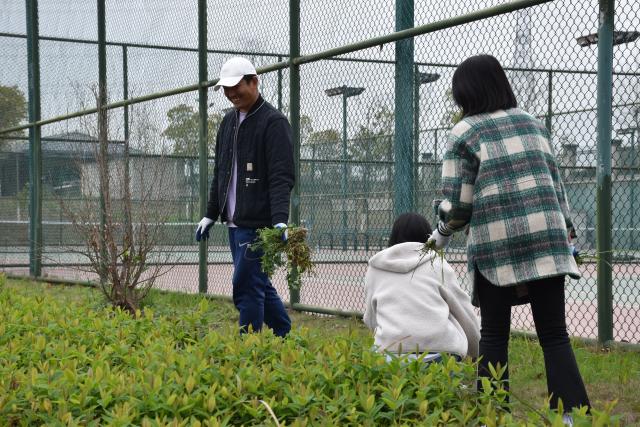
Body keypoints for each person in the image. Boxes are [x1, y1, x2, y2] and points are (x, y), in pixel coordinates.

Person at [427, 54, 590, 413]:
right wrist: (568, 236)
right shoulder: (534, 124)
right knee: (554, 334)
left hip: (496, 245)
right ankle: (573, 417)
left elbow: (459, 206)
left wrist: (441, 232)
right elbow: (556, 186)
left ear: (466, 93)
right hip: (547, 241)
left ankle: (493, 414)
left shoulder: (464, 132)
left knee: (495, 334)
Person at [195, 57, 293, 337]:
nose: (231, 94)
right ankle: (284, 333)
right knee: (256, 282)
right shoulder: (228, 122)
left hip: (259, 224)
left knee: (246, 286)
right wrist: (211, 213)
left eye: (236, 87)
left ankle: (248, 347)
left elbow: (281, 176)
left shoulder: (273, 122)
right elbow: (221, 171)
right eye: (227, 89)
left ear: (254, 81)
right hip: (234, 222)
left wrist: (280, 220)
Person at [363, 212, 480, 362]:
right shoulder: (437, 264)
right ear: (428, 237)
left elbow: (371, 318)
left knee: (374, 352)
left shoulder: (375, 268)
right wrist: (477, 350)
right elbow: (463, 311)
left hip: (391, 355)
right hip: (441, 353)